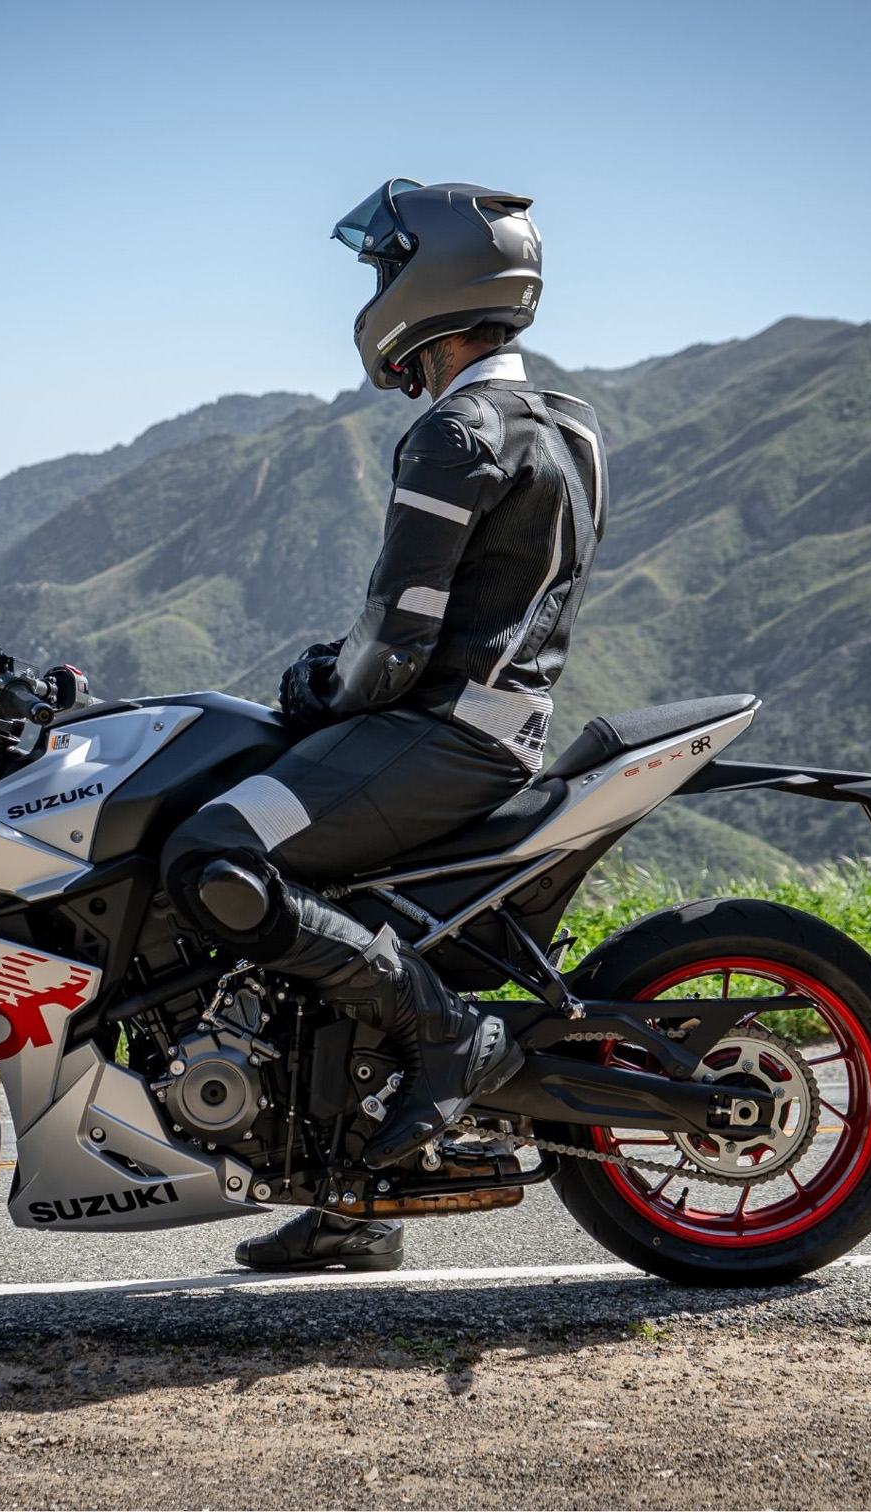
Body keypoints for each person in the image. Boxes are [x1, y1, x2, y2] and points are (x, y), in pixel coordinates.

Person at [161, 179, 608, 1272]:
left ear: (432, 282)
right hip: (500, 726)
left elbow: (395, 645)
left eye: (385, 269)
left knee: (211, 851)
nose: (374, 292)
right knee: (325, 899)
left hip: (444, 733)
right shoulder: (571, 425)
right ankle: (351, 1200)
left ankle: (445, 1033)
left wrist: (315, 687)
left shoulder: (456, 432)